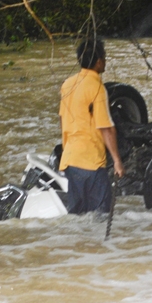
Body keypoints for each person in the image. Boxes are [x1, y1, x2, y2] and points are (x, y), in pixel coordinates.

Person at [58, 38, 125, 214]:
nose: (105, 61)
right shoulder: (96, 87)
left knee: (78, 217)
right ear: (98, 61)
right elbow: (106, 127)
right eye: (104, 57)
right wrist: (117, 161)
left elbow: (62, 118)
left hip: (70, 159)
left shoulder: (67, 84)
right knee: (101, 217)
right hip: (91, 162)